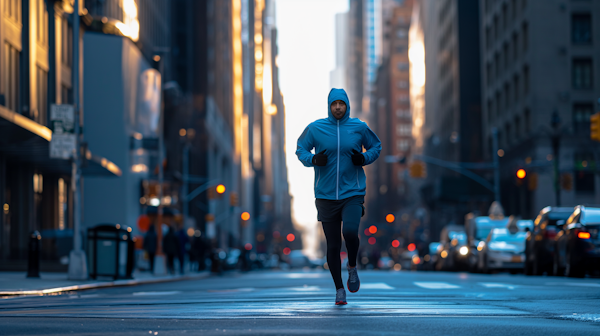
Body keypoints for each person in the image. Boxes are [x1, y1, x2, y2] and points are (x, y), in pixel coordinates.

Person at [296, 88, 381, 305]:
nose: (337, 107)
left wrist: (363, 158)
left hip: (352, 191)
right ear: (329, 106)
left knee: (350, 232)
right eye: (334, 104)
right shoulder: (316, 128)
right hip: (325, 195)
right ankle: (339, 289)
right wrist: (313, 160)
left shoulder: (359, 127)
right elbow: (301, 150)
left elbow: (376, 146)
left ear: (347, 106)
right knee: (333, 244)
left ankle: (352, 266)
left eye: (341, 104)